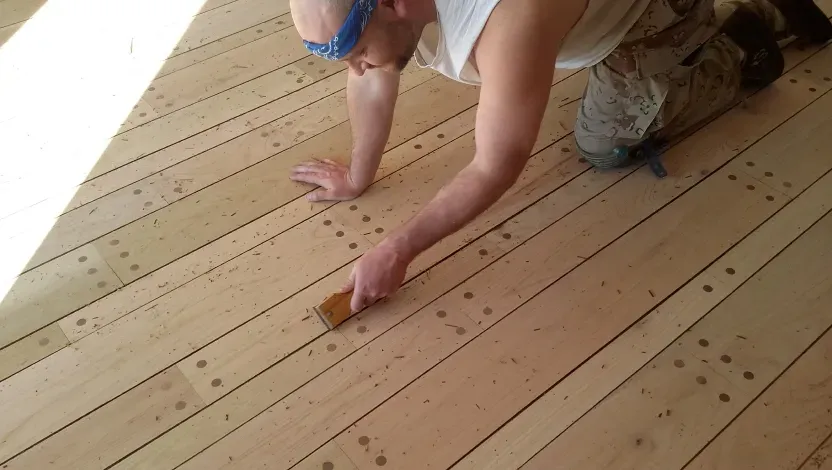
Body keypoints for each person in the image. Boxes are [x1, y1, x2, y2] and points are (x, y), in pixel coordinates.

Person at [287, 0, 832, 313]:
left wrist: (396, 248)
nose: (354, 69)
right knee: (420, 55)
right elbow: (375, 74)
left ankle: (741, 37)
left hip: (649, 14)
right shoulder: (389, 12)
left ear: (390, 5)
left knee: (603, 146)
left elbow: (496, 163)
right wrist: (358, 174)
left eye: (356, 54)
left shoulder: (508, 19)